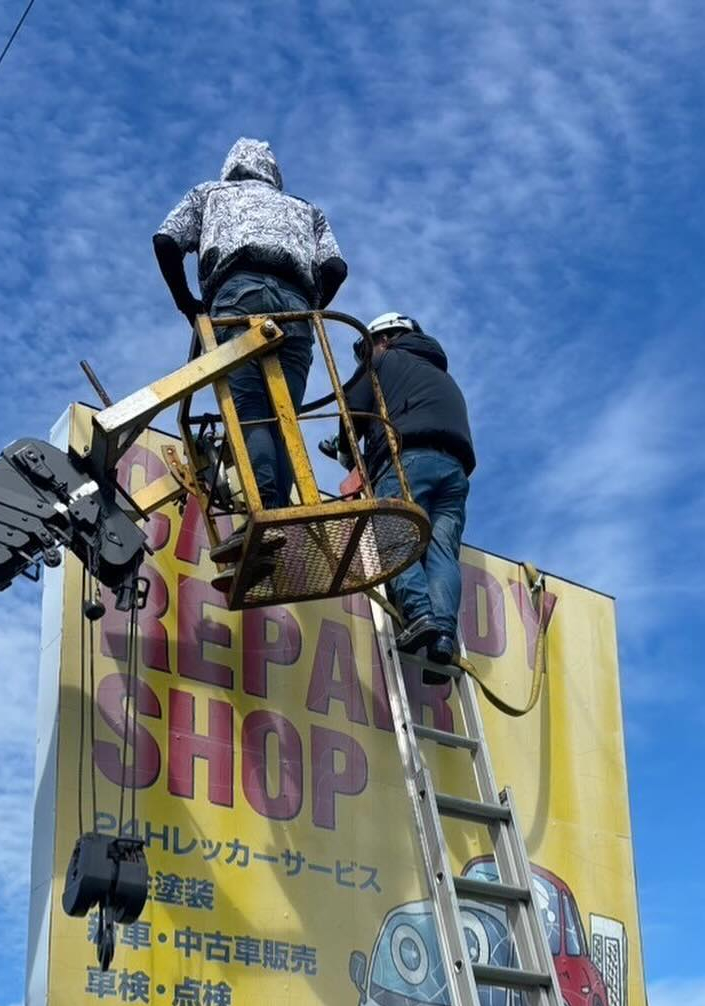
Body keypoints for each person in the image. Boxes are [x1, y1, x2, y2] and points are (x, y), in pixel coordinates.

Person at [154, 139, 346, 577]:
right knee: (286, 420)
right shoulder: (305, 209)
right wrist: (312, 305)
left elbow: (166, 240)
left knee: (253, 415)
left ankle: (264, 517)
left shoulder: (210, 194)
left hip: (237, 298)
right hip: (296, 310)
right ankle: (280, 518)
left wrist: (187, 302)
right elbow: (335, 267)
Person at [336, 313, 474, 679]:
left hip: (408, 461)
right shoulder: (442, 377)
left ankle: (420, 615)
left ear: (384, 339)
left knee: (395, 536)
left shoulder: (385, 360)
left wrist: (345, 452)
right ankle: (443, 637)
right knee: (442, 552)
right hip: (454, 472)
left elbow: (353, 406)